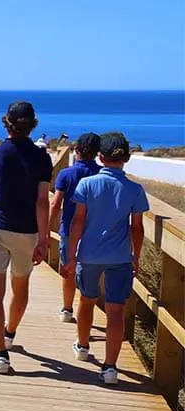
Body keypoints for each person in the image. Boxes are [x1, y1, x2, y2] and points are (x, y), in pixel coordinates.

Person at [0, 101, 53, 375]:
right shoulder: (42, 158)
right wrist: (43, 240)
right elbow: (42, 202)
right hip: (26, 231)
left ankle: (0, 354)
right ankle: (9, 333)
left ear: (6, 122)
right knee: (20, 288)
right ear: (33, 124)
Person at [65, 132, 148, 385]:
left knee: (87, 300)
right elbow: (137, 228)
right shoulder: (135, 190)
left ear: (100, 157)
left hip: (89, 254)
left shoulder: (87, 185)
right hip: (120, 257)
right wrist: (136, 256)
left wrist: (70, 254)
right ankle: (110, 368)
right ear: (126, 159)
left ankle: (82, 346)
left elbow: (77, 221)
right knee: (115, 311)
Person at [48, 132, 101, 323]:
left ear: (76, 150)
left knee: (68, 269)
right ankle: (87, 311)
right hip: (95, 231)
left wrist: (47, 230)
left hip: (69, 228)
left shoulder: (66, 174)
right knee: (91, 272)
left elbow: (55, 204)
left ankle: (67, 309)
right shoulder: (101, 174)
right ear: (97, 153)